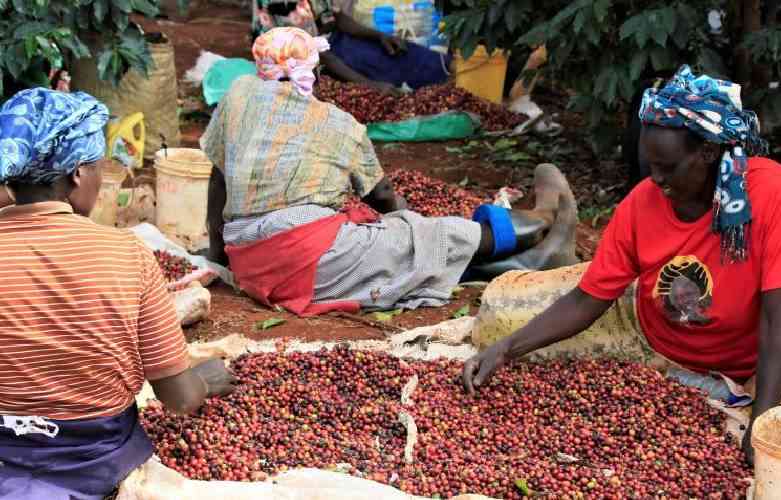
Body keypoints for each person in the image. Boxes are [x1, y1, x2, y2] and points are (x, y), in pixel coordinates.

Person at [462, 65, 781, 464]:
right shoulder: (641, 204)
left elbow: (778, 320)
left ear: (708, 152)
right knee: (494, 320)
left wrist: (761, 426)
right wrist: (505, 349)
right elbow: (587, 300)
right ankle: (554, 255)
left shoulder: (775, 196)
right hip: (644, 326)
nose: (655, 179)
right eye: (649, 166)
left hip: (743, 358)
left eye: (668, 167)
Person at [202, 27, 577, 316]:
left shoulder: (236, 98)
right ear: (313, 71)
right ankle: (543, 221)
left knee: (388, 260)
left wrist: (220, 255)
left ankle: (526, 261)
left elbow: (218, 179)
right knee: (421, 235)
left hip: (250, 262)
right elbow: (382, 197)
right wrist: (411, 228)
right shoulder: (336, 122)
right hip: (303, 262)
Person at [0, 88, 235, 500]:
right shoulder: (126, 252)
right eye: (97, 167)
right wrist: (205, 380)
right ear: (77, 175)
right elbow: (178, 397)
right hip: (92, 461)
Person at [252, 0, 450, 94]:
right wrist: (370, 86)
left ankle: (438, 74)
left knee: (406, 54)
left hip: (334, 42)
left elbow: (336, 18)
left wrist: (379, 36)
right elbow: (318, 54)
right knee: (383, 77)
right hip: (303, 61)